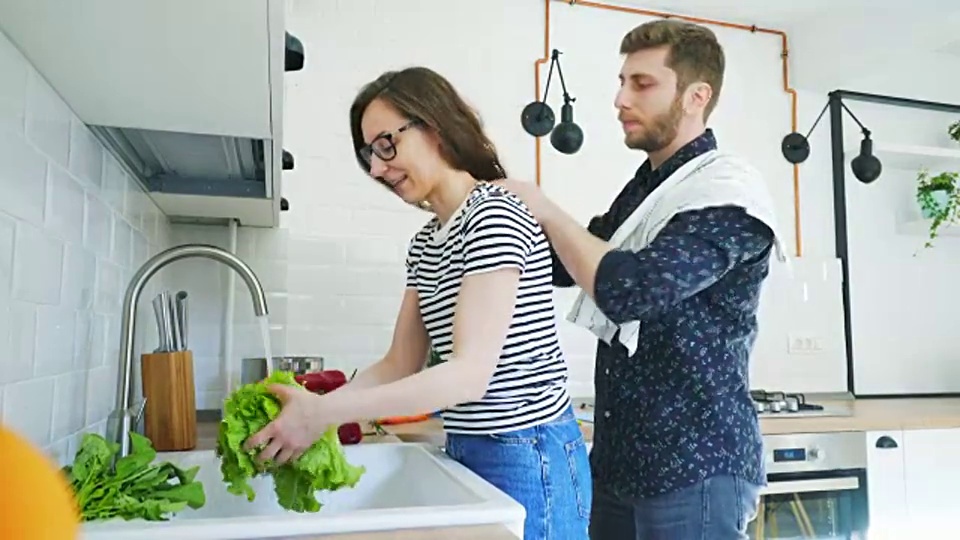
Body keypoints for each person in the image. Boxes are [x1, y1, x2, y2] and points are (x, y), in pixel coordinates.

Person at [245, 66, 591, 539]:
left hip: (529, 452)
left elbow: (469, 375)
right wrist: (314, 409)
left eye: (386, 145)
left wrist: (324, 413)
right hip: (468, 444)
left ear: (434, 126)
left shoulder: (495, 212)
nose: (377, 169)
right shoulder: (427, 243)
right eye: (369, 155)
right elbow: (398, 362)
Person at [499, 19, 788, 540]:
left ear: (697, 96)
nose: (619, 98)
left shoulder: (727, 195)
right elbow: (570, 264)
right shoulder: (651, 188)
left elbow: (632, 291)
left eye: (642, 83)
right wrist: (484, 200)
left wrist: (541, 205)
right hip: (620, 459)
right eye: (622, 81)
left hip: (694, 466)